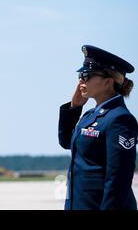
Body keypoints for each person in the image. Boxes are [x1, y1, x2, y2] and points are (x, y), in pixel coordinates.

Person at [58, 45, 137, 210]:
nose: (81, 81)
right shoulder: (90, 116)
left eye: (86, 75)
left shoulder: (119, 119)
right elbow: (66, 141)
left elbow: (118, 180)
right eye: (81, 75)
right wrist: (74, 107)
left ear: (108, 82)